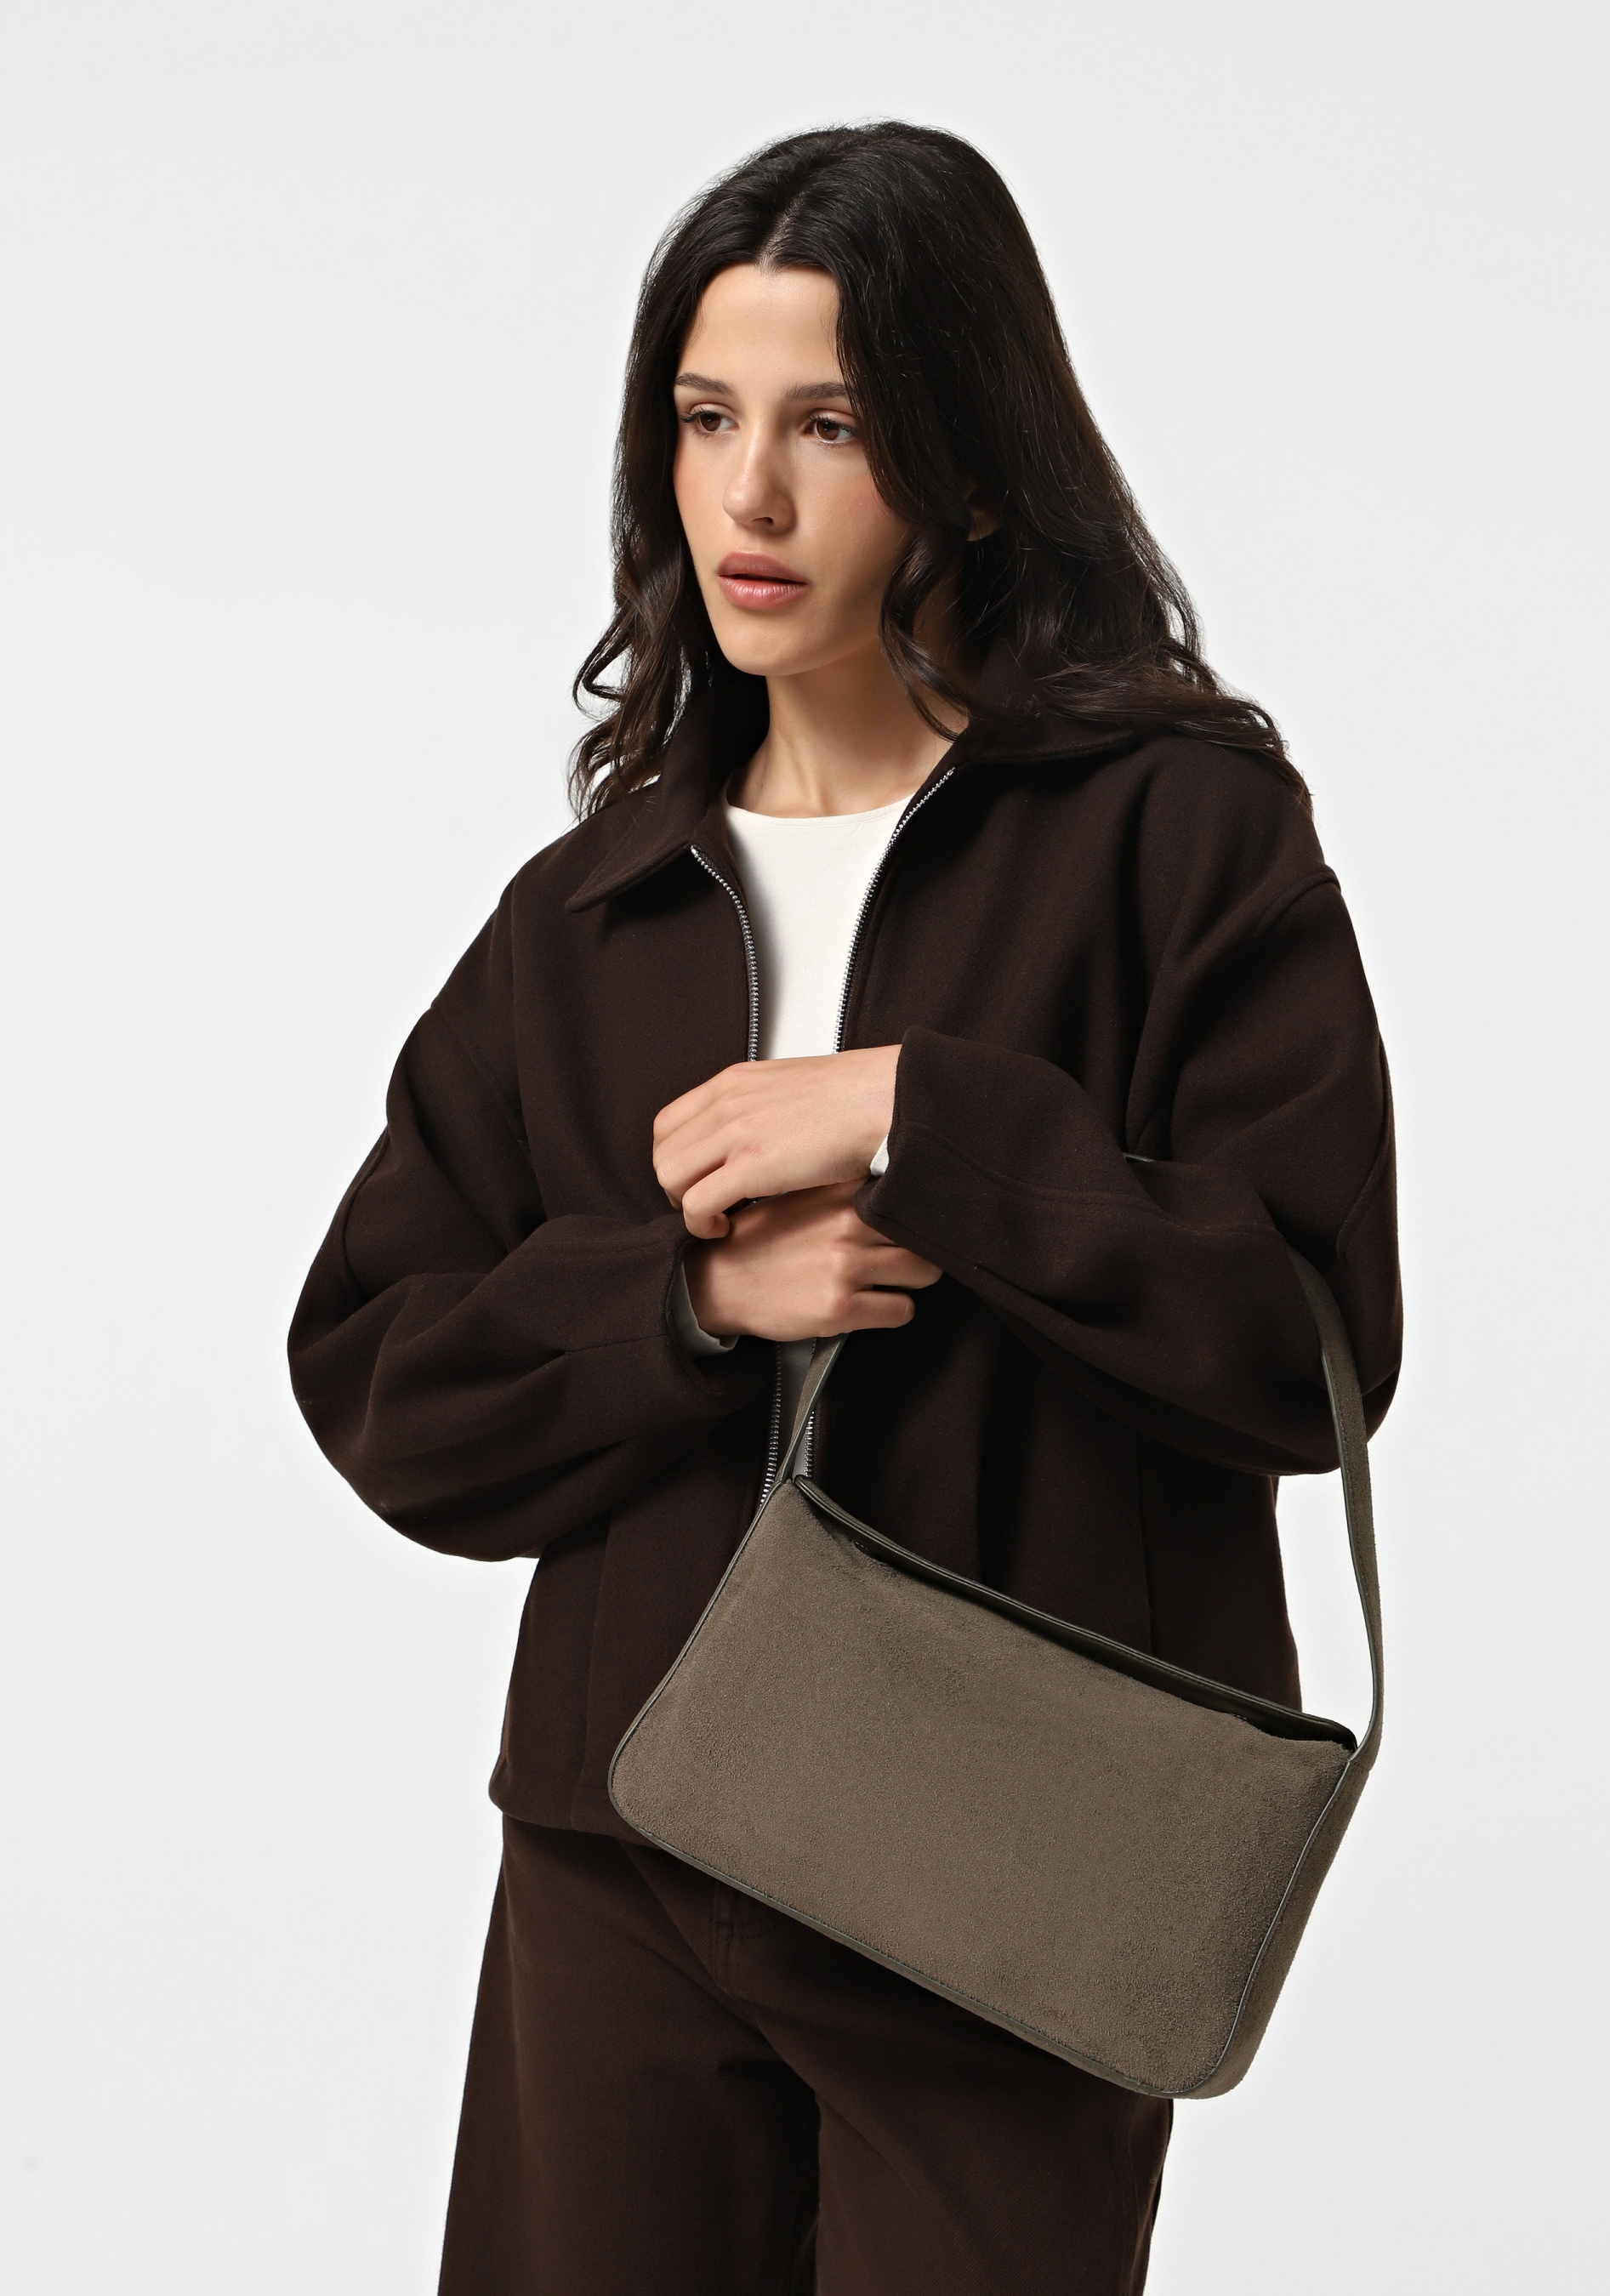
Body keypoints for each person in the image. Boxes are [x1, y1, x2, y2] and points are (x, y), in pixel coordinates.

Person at [288, 122, 1401, 2296]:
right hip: (622, 1862)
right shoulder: (587, 913)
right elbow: (378, 1378)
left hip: (1010, 1868)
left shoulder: (1180, 840)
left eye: (829, 426)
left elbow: (1307, 1346)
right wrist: (690, 1303)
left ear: (969, 469)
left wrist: (928, 1119)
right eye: (705, 418)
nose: (750, 500)